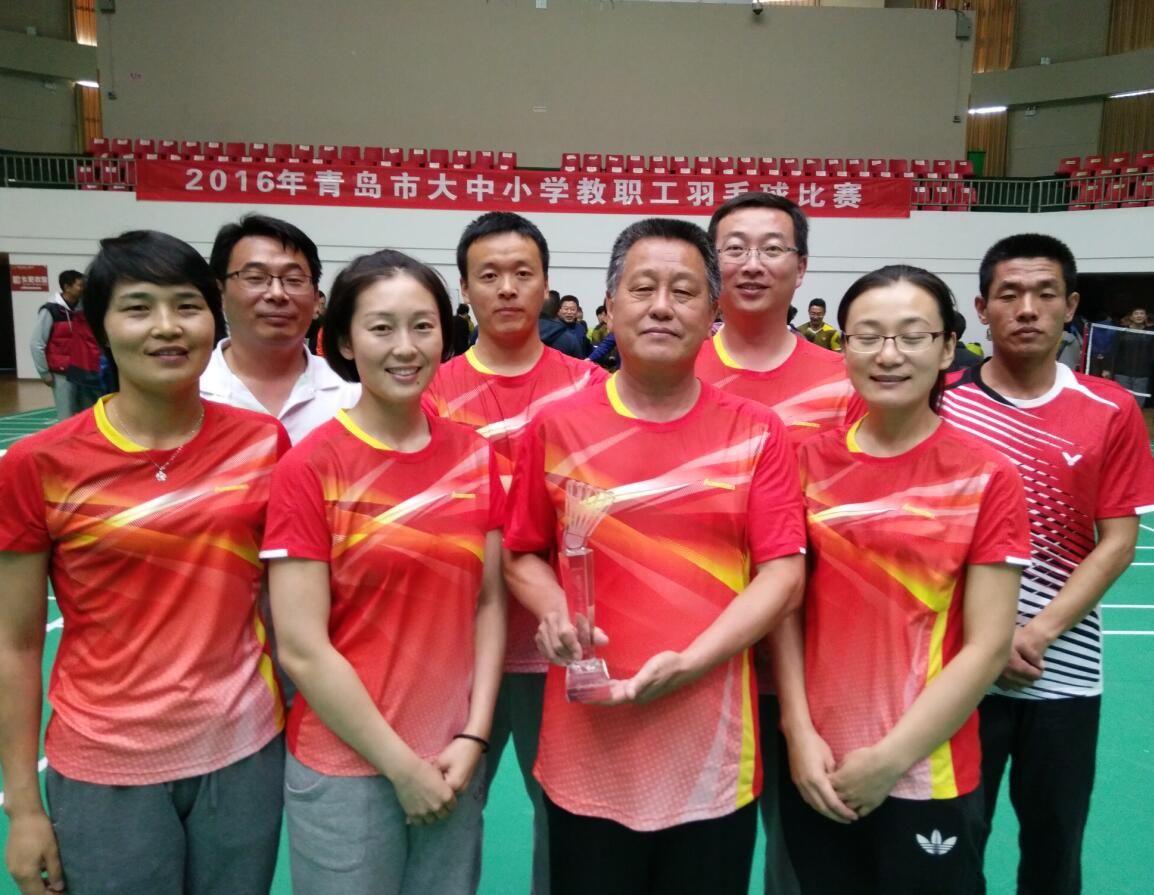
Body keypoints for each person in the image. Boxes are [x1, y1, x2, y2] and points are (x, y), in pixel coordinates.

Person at [504, 217, 806, 895]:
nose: (662, 306)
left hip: (712, 753)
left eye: (684, 291)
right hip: (588, 745)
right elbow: (521, 553)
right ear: (610, 306)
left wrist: (693, 662)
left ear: (712, 312)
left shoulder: (757, 431)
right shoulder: (555, 426)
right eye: (642, 289)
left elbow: (783, 572)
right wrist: (554, 611)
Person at [0, 230, 288, 895]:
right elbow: (16, 644)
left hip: (244, 755)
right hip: (104, 766)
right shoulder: (39, 465)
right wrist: (24, 806)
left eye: (186, 305)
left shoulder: (263, 444)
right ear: (100, 325)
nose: (166, 327)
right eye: (138, 307)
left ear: (214, 316)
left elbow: (283, 602)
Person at [775, 265, 1029, 894]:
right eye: (868, 336)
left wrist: (889, 761)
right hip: (818, 763)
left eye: (913, 336)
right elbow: (785, 611)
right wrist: (798, 733)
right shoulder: (805, 464)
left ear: (947, 349)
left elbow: (989, 646)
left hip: (926, 769)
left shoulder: (986, 476)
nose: (889, 355)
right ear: (844, 347)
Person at [262, 250, 504, 895]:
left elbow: (488, 602)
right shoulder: (310, 468)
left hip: (452, 758)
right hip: (347, 768)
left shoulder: (475, 457)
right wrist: (401, 768)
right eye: (381, 328)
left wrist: (475, 735)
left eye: (423, 326)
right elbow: (303, 648)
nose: (405, 347)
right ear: (344, 340)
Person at [939, 234, 1154, 895]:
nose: (1027, 308)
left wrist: (1032, 634)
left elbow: (1117, 541)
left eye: (1044, 293)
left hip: (1062, 673)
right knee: (949, 848)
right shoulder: (940, 401)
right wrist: (986, 641)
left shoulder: (1111, 408)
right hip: (955, 671)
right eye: (1009, 294)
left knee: (1055, 850)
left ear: (1072, 307)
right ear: (982, 308)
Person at [425, 211, 607, 895]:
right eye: (489, 275)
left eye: (522, 273)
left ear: (546, 283)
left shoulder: (590, 388)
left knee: (564, 813)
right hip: (455, 642)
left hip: (559, 643)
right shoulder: (431, 392)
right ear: (464, 287)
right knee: (445, 806)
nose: (507, 288)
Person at [696, 191, 858, 895]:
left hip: (821, 663)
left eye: (772, 248)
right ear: (711, 266)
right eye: (734, 248)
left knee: (805, 863)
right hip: (704, 662)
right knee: (704, 861)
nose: (752, 264)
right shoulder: (671, 373)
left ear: (802, 266)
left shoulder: (848, 383)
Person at [203, 213, 359, 443]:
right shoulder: (188, 390)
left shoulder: (353, 395)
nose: (277, 294)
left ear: (315, 299)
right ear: (220, 294)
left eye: (294, 280)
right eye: (255, 277)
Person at [29, 270, 93, 420]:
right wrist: (44, 373)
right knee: (66, 417)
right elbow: (37, 343)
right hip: (62, 373)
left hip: (84, 371)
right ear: (67, 287)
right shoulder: (50, 310)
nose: (83, 288)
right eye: (80, 285)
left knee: (88, 416)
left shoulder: (84, 309)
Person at [1102, 306, 1153, 406]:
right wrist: (1107, 369)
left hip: (1142, 375)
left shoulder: (1151, 334)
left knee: (1138, 404)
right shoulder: (1122, 332)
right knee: (1122, 401)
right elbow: (1113, 351)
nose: (1139, 316)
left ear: (1145, 316)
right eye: (1136, 313)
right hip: (1122, 373)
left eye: (1142, 313)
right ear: (1131, 317)